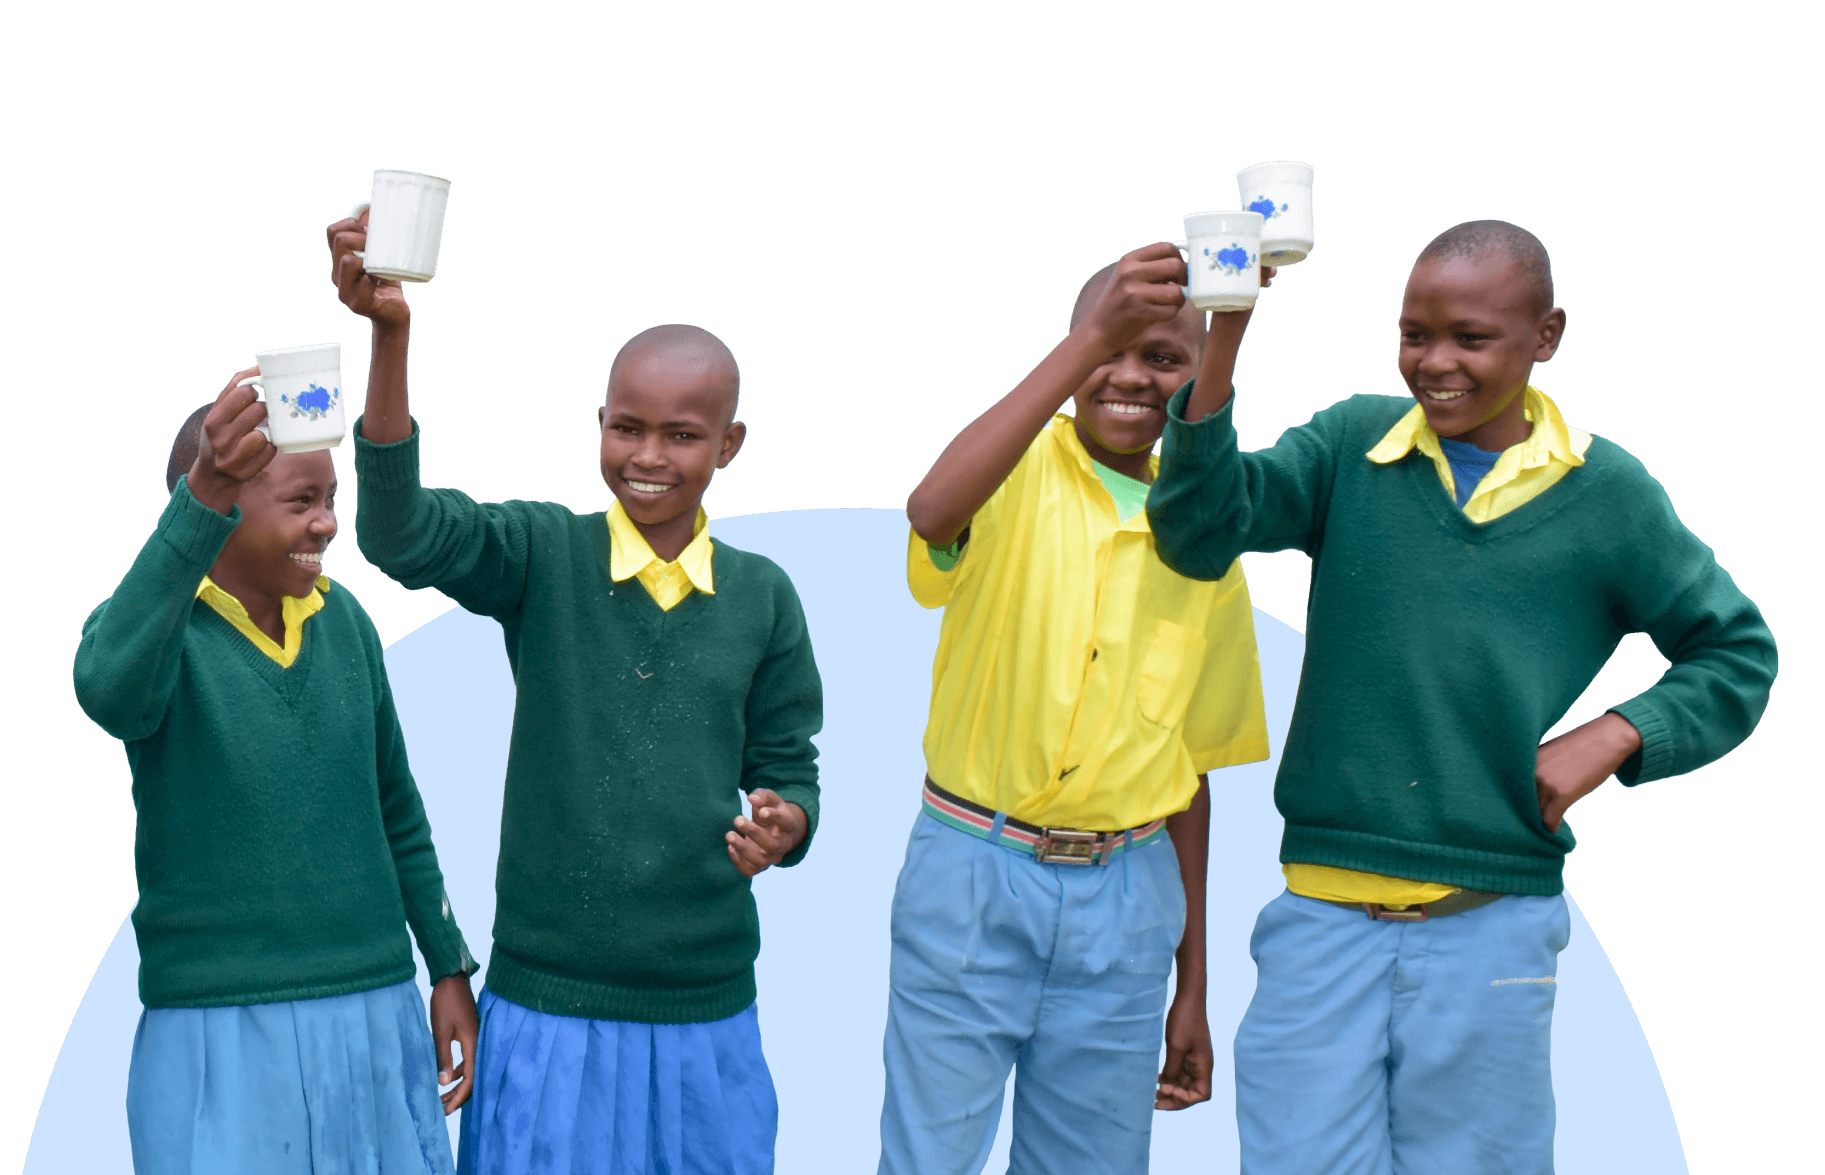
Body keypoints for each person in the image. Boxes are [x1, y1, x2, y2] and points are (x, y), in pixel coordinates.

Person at [1147, 219, 1779, 1172]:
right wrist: (1227, 324)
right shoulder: (1351, 445)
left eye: (1470, 338)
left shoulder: (1606, 494)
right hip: (1319, 926)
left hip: (1490, 927)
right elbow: (1199, 530)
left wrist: (1616, 732)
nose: (1433, 362)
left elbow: (1736, 650)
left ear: (1546, 335)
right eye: (1413, 333)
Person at [325, 207, 822, 1175]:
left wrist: (785, 823)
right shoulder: (544, 556)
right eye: (627, 426)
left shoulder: (763, 597)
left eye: (683, 434)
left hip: (703, 1006)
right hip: (546, 1004)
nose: (648, 455)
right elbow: (400, 536)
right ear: (597, 423)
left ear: (730, 444)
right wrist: (391, 337)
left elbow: (788, 765)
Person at [882, 243, 1275, 1174]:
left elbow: (1190, 773)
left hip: (1127, 896)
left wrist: (1195, 982)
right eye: (1112, 351)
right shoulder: (1009, 468)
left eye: (1164, 358)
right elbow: (932, 511)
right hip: (973, 871)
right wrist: (1084, 340)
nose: (1133, 377)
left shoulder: (1209, 538)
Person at [74, 378, 479, 1174]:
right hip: (219, 1020)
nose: (326, 522)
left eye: (329, 498)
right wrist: (201, 494)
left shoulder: (347, 623)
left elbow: (397, 806)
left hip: (372, 1003)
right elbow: (107, 689)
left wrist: (446, 963)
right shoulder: (159, 633)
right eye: (301, 502)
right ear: (217, 508)